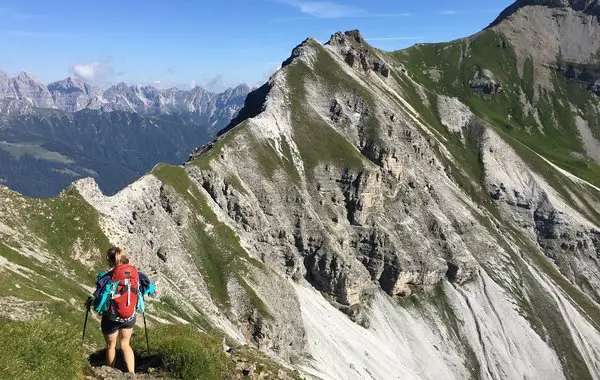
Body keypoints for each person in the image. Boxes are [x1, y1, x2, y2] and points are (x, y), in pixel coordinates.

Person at [90, 247, 155, 374]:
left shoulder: (106, 277)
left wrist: (92, 303)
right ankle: (132, 374)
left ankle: (112, 374)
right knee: (125, 344)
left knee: (111, 346)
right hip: (130, 317)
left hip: (111, 318)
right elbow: (149, 289)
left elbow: (99, 298)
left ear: (110, 261)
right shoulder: (137, 275)